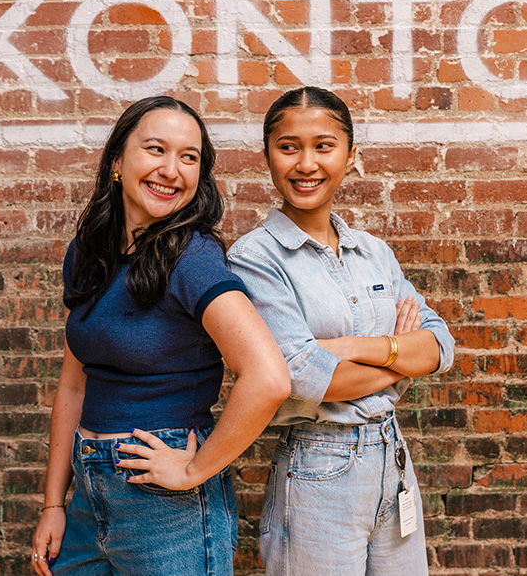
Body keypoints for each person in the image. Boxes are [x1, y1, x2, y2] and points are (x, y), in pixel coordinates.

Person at [31, 96, 291, 576]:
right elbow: (74, 384)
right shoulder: (88, 254)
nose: (172, 170)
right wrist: (54, 504)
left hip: (166, 507)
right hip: (90, 496)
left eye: (189, 157)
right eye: (155, 150)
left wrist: (193, 470)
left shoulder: (192, 259)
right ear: (117, 162)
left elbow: (268, 376)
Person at [227, 86, 455, 575]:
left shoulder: (374, 252)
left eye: (324, 146)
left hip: (392, 461)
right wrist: (398, 363)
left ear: (351, 156)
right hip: (318, 468)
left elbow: (440, 344)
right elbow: (303, 376)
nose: (306, 163)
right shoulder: (255, 258)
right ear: (267, 156)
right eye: (289, 147)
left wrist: (353, 348)